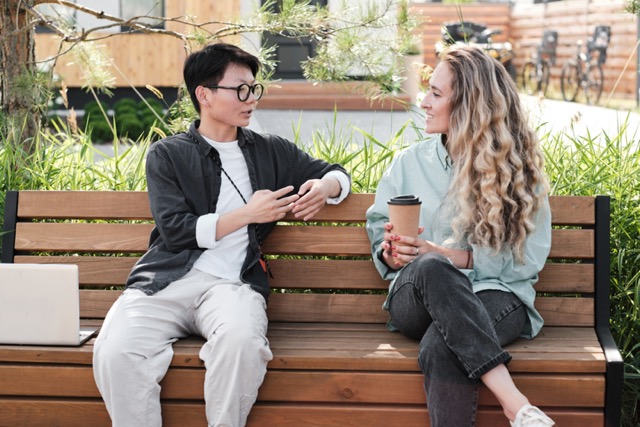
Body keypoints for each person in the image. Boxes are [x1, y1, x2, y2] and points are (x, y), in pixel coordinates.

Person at [93, 43, 351, 427]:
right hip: (165, 282)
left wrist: (325, 187)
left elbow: (336, 171)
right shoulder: (168, 154)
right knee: (115, 350)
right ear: (205, 95)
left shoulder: (269, 151)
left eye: (254, 88)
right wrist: (246, 214)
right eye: (240, 89)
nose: (251, 99)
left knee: (242, 344)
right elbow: (175, 229)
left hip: (233, 285)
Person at [365, 45, 555, 427]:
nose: (424, 101)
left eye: (436, 93)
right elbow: (379, 232)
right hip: (415, 298)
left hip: (496, 297)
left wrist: (455, 256)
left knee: (442, 345)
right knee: (431, 265)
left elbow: (527, 260)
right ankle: (515, 404)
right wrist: (391, 252)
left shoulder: (517, 172)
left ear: (469, 104)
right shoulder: (409, 163)